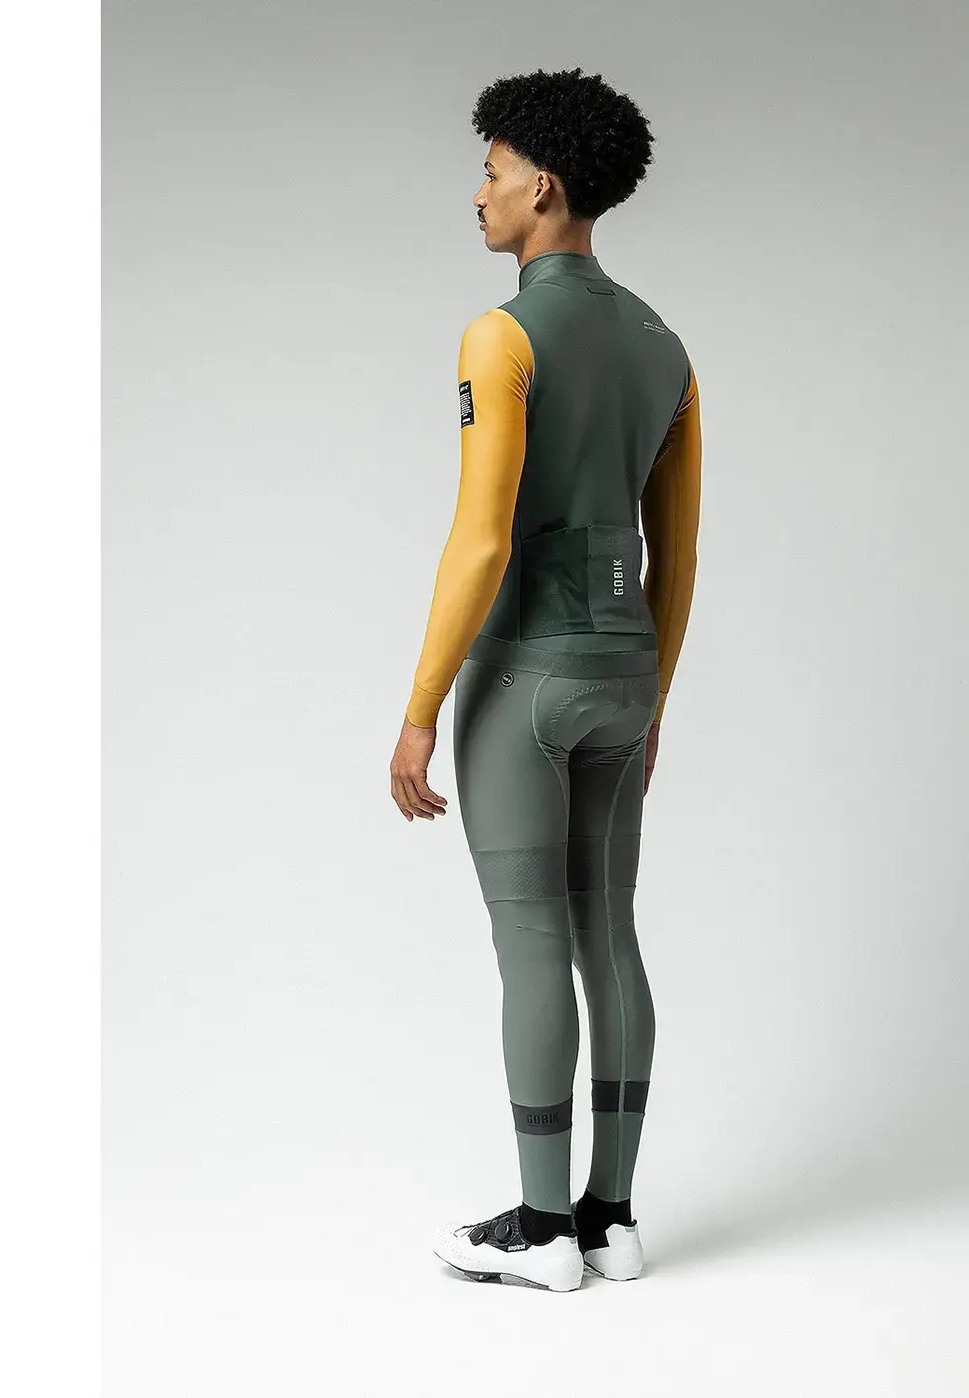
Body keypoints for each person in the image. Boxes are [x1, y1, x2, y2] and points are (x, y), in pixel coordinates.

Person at [389, 66, 702, 1293]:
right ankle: (613, 1219)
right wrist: (654, 700)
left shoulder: (501, 334)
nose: (477, 194)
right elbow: (677, 553)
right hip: (626, 676)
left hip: (525, 678)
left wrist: (419, 711)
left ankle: (539, 1230)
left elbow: (482, 541)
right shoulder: (668, 350)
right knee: (607, 934)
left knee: (530, 944)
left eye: (492, 172)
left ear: (544, 188)